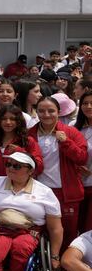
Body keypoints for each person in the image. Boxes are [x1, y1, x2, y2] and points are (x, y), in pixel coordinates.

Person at [33, 95, 88, 246]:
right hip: (38, 191)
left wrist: (66, 142)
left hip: (66, 192)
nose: (46, 115)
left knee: (68, 233)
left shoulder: (71, 132)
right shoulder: (30, 133)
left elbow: (82, 157)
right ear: (36, 112)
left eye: (51, 111)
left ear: (59, 111)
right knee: (40, 231)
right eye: (41, 111)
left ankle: (64, 267)